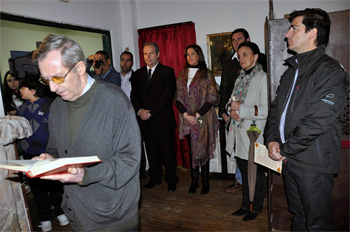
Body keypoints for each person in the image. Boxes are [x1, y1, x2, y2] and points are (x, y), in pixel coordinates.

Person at [32, 34, 141, 231]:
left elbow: (129, 161)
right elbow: (57, 150)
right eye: (46, 80)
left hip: (113, 218)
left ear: (80, 68)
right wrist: (50, 159)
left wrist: (85, 175)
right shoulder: (57, 107)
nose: (52, 87)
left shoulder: (115, 101)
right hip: (77, 214)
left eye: (57, 77)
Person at [265, 8, 349, 231]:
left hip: (313, 163)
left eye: (294, 28)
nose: (287, 34)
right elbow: (276, 111)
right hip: (290, 159)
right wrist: (272, 140)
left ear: (312, 32)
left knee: (318, 224)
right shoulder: (291, 71)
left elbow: (318, 121)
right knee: (299, 214)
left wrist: (285, 148)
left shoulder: (331, 71)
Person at [15, 77, 68, 232]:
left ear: (32, 90)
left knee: (55, 185)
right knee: (37, 188)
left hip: (49, 153)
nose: (19, 90)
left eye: (23, 87)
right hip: (30, 154)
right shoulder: (21, 109)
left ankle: (60, 212)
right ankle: (45, 218)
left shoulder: (49, 105)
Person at [226, 42, 268, 221]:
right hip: (239, 132)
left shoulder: (263, 78)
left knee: (256, 173)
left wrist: (241, 110)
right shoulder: (240, 77)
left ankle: (255, 207)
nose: (241, 58)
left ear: (256, 56)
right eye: (239, 55)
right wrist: (231, 111)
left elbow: (265, 110)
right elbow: (231, 101)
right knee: (243, 170)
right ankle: (245, 205)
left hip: (253, 133)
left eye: (245, 55)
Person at [130, 42, 178, 192]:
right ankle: (155, 177)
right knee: (151, 152)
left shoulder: (167, 72)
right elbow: (134, 96)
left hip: (162, 120)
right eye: (145, 53)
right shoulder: (137, 74)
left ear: (158, 54)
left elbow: (167, 96)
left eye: (151, 53)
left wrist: (150, 112)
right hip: (145, 122)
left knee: (167, 153)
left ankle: (171, 180)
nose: (148, 56)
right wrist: (139, 111)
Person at [175, 44, 219, 195]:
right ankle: (194, 181)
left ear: (199, 55)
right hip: (187, 119)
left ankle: (205, 182)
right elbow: (177, 98)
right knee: (193, 150)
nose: (190, 57)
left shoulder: (207, 74)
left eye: (193, 54)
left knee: (203, 151)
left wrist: (197, 115)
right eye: (187, 54)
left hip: (203, 118)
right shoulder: (182, 74)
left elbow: (212, 97)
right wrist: (186, 115)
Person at [219, 28, 250, 193]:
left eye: (239, 39)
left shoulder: (259, 61)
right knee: (238, 151)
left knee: (251, 151)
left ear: (248, 39)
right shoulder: (229, 65)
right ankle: (240, 180)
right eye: (233, 40)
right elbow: (224, 90)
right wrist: (223, 113)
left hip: (252, 116)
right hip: (232, 116)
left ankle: (253, 181)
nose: (236, 42)